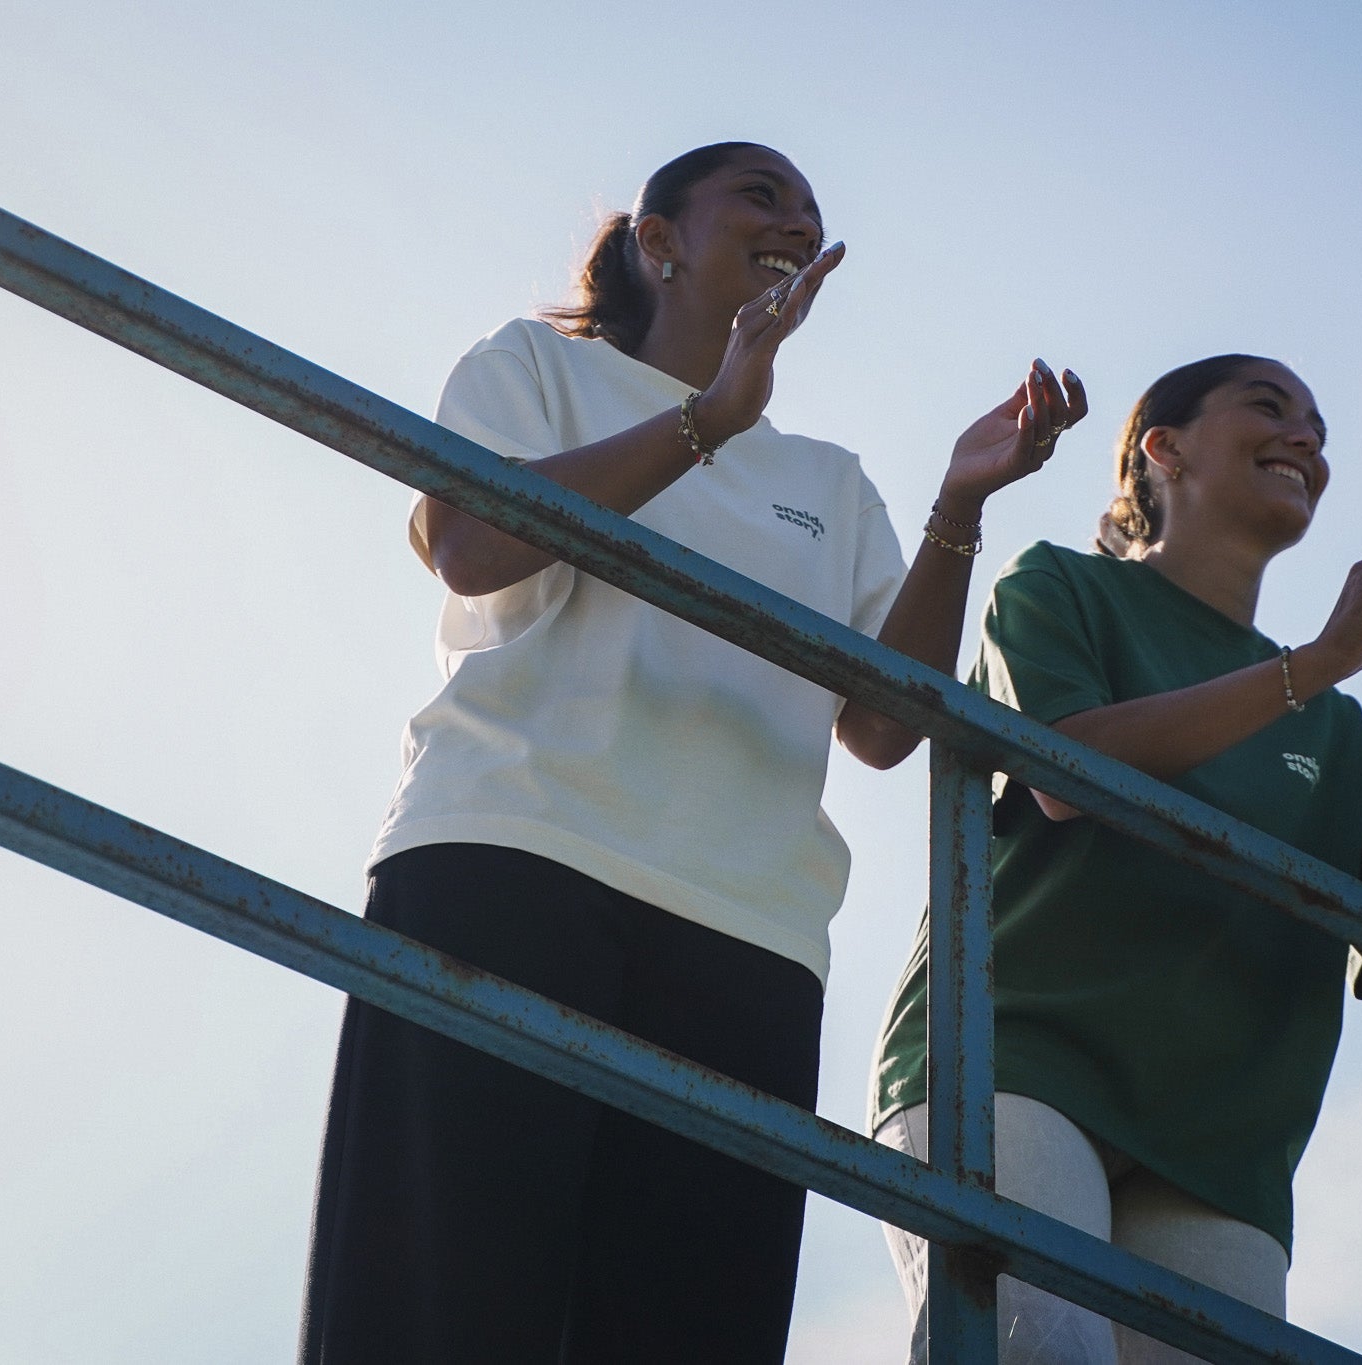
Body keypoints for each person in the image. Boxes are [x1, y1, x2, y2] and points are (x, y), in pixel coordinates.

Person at [298, 142, 1087, 1364]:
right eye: (757, 197)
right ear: (657, 243)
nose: (794, 220)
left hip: (746, 932)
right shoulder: (535, 367)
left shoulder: (830, 483)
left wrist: (957, 508)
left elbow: (882, 725)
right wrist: (707, 420)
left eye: (809, 211)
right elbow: (469, 546)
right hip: (512, 859)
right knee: (436, 1311)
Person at [870, 355, 1362, 1364]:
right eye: (1268, 409)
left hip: (1220, 1145)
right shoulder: (1056, 584)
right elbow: (1069, 769)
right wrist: (1310, 665)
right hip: (1022, 1058)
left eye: (1317, 427)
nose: (1305, 439)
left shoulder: (1336, 728)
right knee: (1036, 1351)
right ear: (1164, 448)